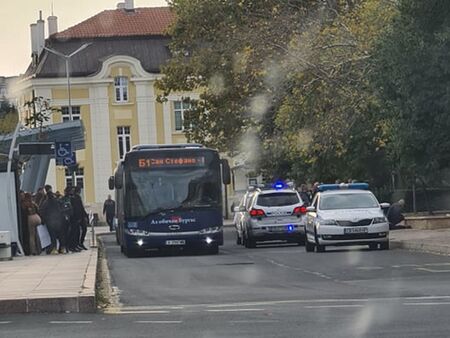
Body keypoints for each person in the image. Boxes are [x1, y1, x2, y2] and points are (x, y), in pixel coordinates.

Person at [40, 189, 67, 254]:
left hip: (50, 222)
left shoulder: (45, 203)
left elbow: (42, 212)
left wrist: (43, 220)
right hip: (59, 221)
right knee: (61, 235)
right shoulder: (58, 201)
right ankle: (62, 248)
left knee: (53, 236)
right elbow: (62, 209)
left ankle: (54, 249)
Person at [72, 186, 89, 250]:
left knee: (82, 230)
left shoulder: (77, 197)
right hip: (78, 217)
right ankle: (79, 243)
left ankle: (80, 243)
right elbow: (79, 208)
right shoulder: (76, 198)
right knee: (78, 232)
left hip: (80, 217)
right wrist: (84, 216)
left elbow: (81, 208)